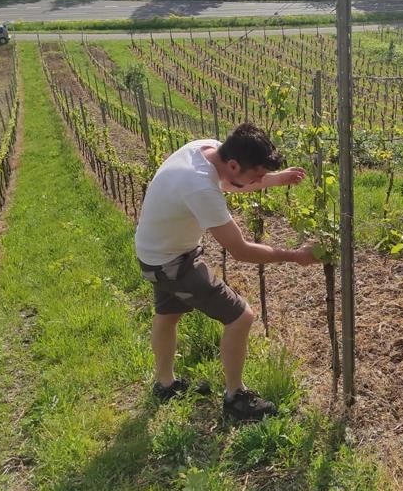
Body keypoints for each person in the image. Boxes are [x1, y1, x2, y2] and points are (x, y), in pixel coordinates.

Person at [135, 122, 317, 423]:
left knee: (168, 315)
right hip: (171, 263)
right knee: (241, 316)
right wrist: (295, 256)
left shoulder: (205, 148)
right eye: (257, 174)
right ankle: (236, 397)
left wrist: (274, 180)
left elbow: (233, 182)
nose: (260, 180)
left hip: (153, 252)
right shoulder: (198, 186)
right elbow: (241, 251)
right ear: (233, 163)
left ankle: (164, 384)